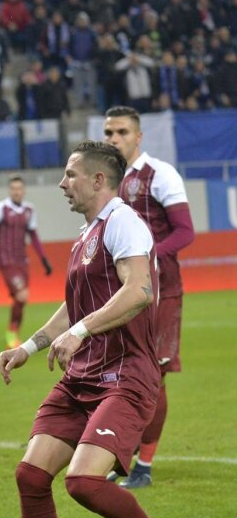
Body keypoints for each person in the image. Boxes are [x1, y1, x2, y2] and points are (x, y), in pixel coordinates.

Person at [0, 140, 175, 518]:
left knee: (81, 482)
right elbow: (72, 308)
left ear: (99, 180)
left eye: (71, 174)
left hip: (124, 376)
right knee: (31, 476)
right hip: (82, 376)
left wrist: (80, 331)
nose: (61, 183)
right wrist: (29, 347)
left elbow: (138, 290)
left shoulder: (123, 222)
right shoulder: (88, 233)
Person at [101, 107, 195, 489]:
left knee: (154, 378)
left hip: (161, 291)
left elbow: (185, 231)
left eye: (121, 132)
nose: (114, 139)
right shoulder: (105, 180)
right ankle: (126, 455)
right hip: (121, 292)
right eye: (109, 132)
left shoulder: (159, 174)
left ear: (138, 137)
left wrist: (149, 256)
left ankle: (145, 465)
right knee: (124, 376)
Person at [0, 177, 53, 348]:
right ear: (9, 190)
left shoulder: (29, 210)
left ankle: (14, 332)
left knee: (21, 299)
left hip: (22, 261)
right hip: (6, 261)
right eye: (13, 188)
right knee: (22, 295)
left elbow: (33, 237)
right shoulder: (0, 209)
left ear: (24, 190)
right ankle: (12, 333)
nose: (16, 192)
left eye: (19, 188)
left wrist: (44, 260)